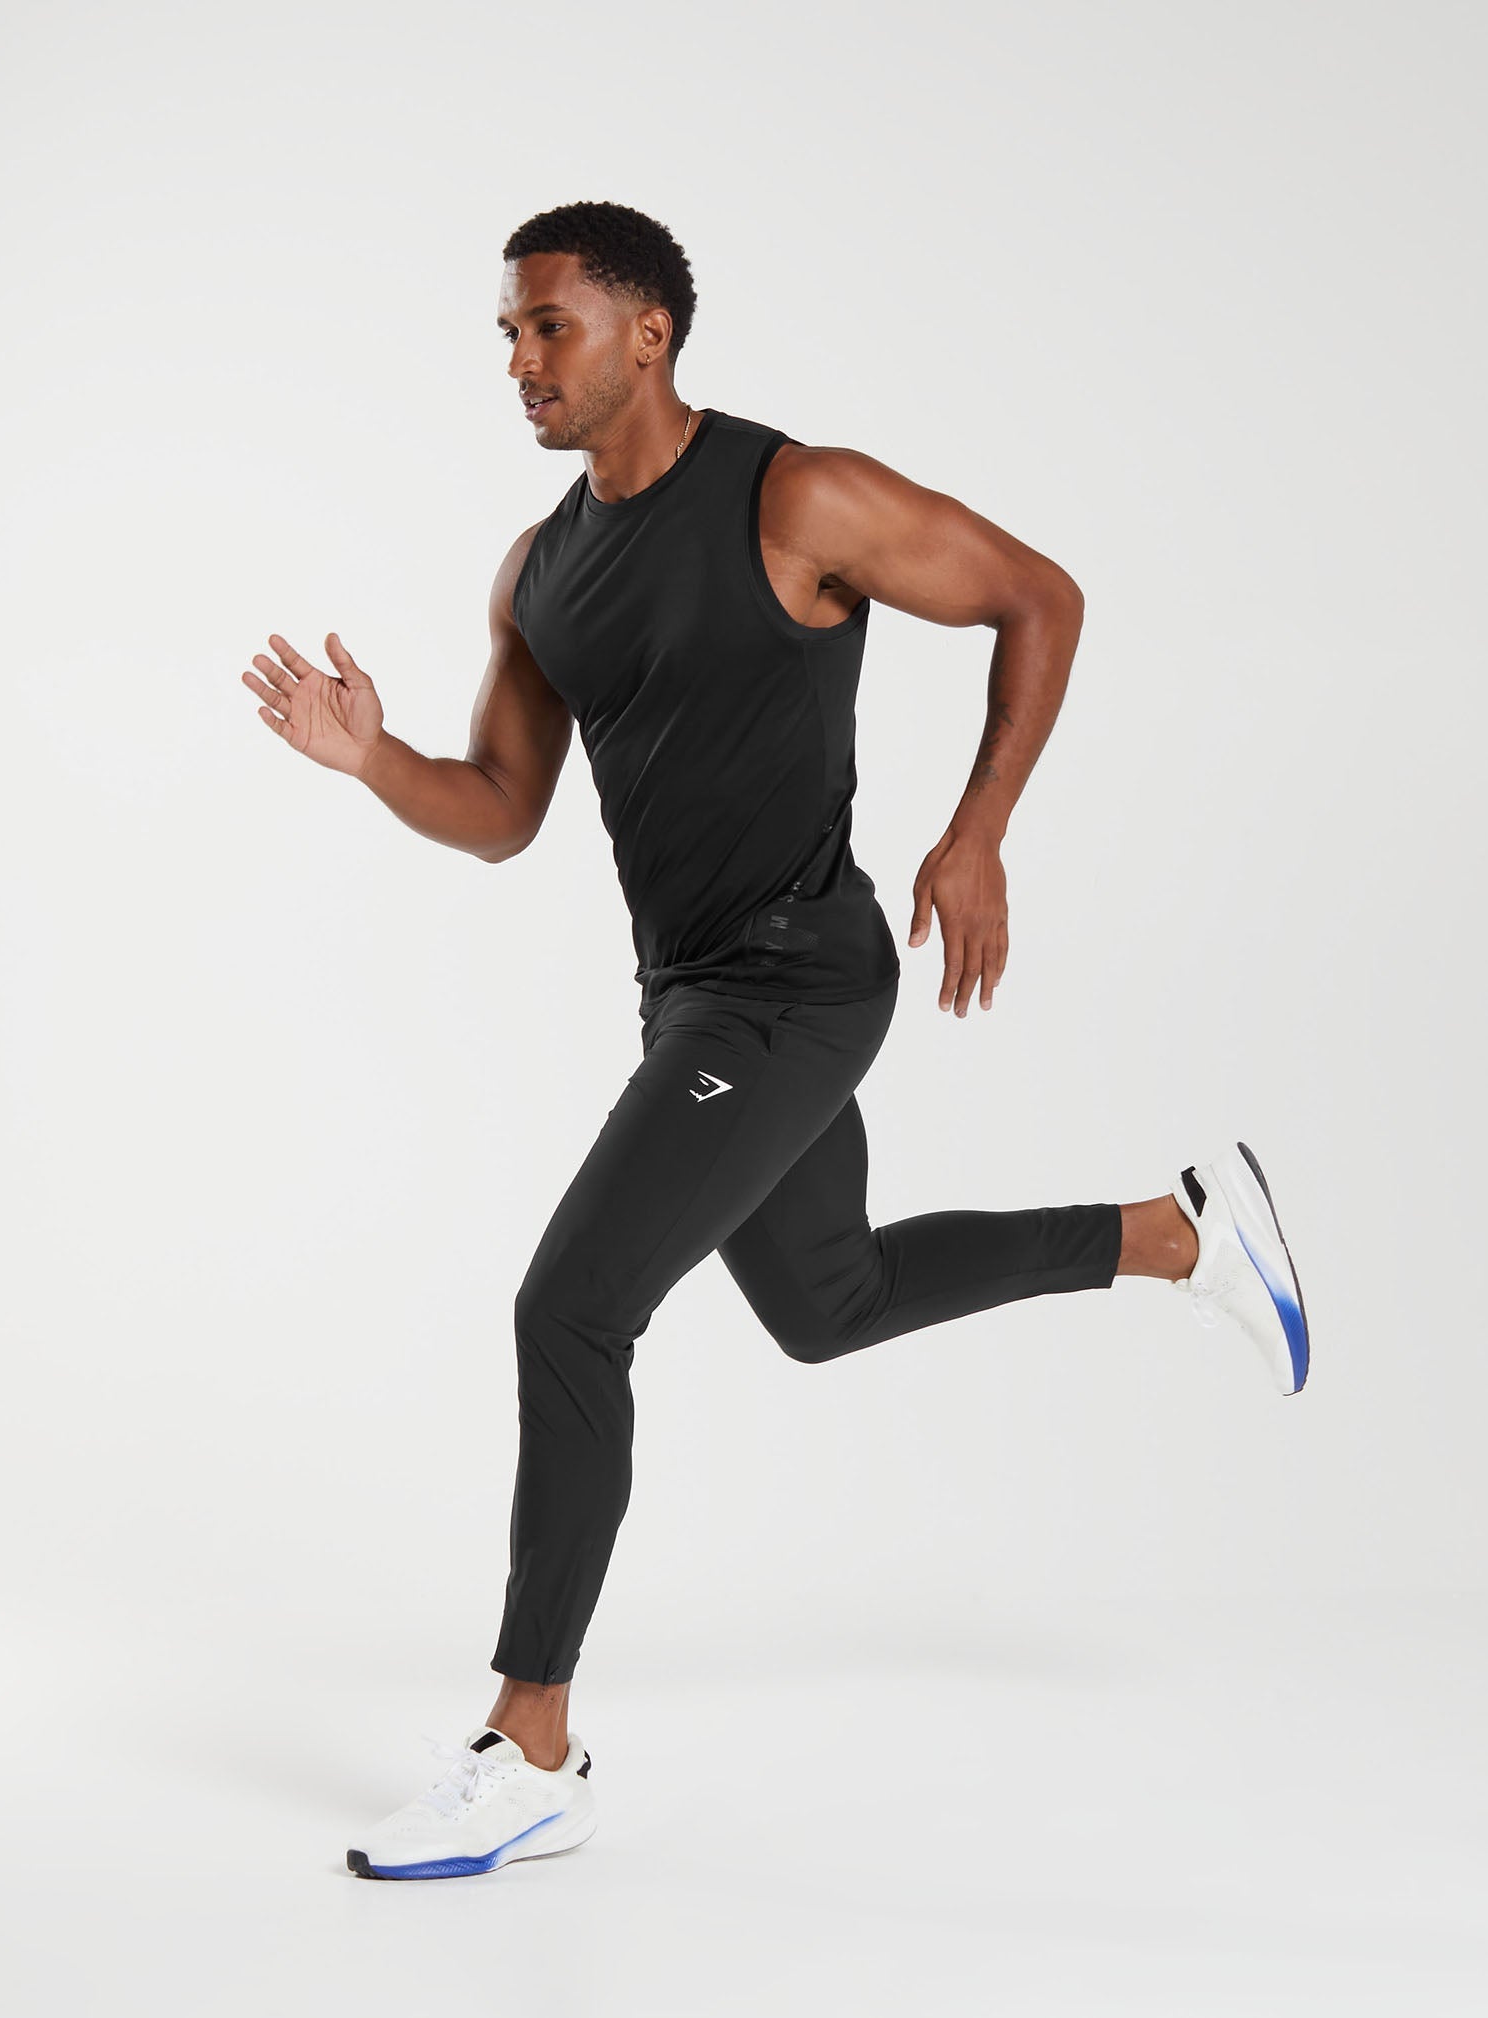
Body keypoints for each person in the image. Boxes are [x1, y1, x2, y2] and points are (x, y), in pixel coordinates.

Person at [240, 201, 1311, 1883]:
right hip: (692, 994)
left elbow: (1039, 598)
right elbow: (505, 808)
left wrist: (979, 831)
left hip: (800, 979)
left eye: (549, 327)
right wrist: (373, 757)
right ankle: (1177, 1233)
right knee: (831, 1301)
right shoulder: (538, 570)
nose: (520, 361)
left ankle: (534, 1744)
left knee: (571, 1304)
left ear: (648, 332)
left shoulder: (794, 497)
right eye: (507, 333)